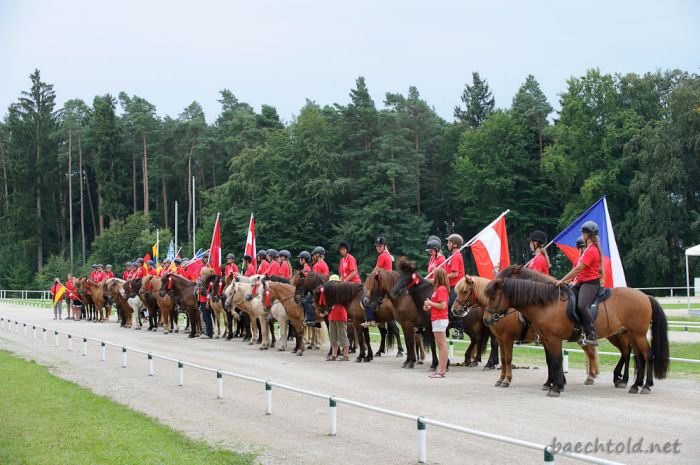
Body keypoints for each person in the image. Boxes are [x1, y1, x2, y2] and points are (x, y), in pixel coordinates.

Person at [555, 221, 602, 346]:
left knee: (582, 305)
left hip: (590, 284)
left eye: (583, 234)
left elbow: (578, 269)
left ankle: (592, 335)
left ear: (586, 235)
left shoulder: (591, 250)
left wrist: (562, 280)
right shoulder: (589, 249)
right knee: (568, 300)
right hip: (581, 283)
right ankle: (578, 331)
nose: (582, 236)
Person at [423, 268, 450, 378]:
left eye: (434, 276)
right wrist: (429, 306)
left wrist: (430, 303)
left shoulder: (441, 289)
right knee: (440, 345)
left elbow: (443, 306)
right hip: (436, 318)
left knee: (442, 345)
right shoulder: (438, 289)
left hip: (440, 319)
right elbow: (438, 305)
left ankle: (442, 371)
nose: (432, 278)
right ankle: (440, 369)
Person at [445, 233, 465, 339]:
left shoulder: (456, 255)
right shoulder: (452, 256)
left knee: (454, 306)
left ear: (455, 245)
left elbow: (455, 274)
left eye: (449, 242)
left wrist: (443, 276)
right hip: (451, 286)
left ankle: (459, 330)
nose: (447, 244)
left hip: (456, 286)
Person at [326, 274, 350, 361]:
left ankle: (346, 355)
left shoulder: (342, 293)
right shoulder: (331, 293)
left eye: (333, 282)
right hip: (332, 315)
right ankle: (334, 355)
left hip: (340, 315)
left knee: (342, 336)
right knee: (333, 337)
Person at [303, 246, 328, 325]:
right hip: (325, 287)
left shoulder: (317, 265)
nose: (313, 257)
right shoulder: (325, 264)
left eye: (314, 255)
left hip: (318, 289)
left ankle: (311, 319)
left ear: (318, 255)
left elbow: (313, 281)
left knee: (306, 301)